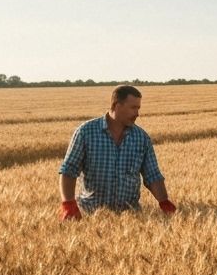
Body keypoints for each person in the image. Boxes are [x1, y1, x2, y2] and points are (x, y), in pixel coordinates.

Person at [58, 85, 175, 219]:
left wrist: (164, 202)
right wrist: (68, 204)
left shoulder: (141, 138)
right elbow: (69, 170)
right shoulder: (86, 132)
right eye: (133, 108)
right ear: (117, 105)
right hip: (90, 215)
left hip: (130, 218)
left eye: (138, 108)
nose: (137, 113)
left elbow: (153, 176)